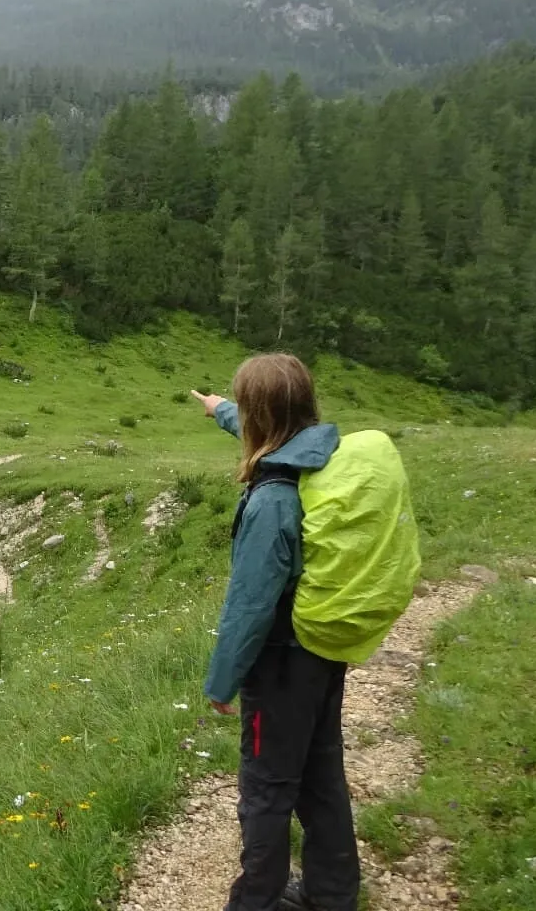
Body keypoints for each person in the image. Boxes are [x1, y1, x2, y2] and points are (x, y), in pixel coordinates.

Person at [191, 354, 360, 911]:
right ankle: (332, 894)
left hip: (280, 662)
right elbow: (269, 431)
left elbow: (249, 606)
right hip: (321, 650)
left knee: (266, 789)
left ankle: (255, 901)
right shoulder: (321, 455)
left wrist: (222, 682)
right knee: (321, 772)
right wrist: (220, 411)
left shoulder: (272, 500)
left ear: (261, 416)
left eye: (244, 409)